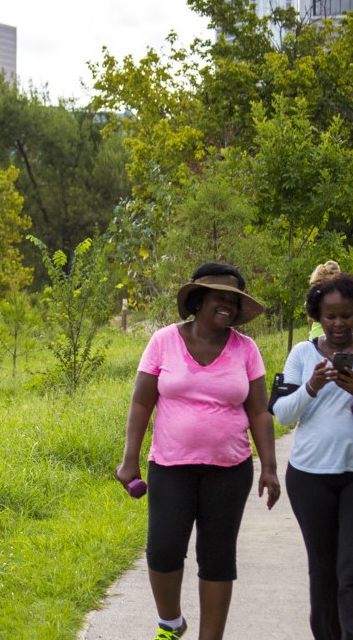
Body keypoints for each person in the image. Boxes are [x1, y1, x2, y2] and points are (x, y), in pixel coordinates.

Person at [116, 263, 281, 640]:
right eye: (219, 298)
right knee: (163, 549)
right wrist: (130, 458)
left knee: (218, 557)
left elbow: (259, 411)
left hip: (230, 469)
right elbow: (141, 403)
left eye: (233, 302)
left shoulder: (246, 349)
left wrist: (269, 467)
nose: (227, 307)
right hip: (171, 467)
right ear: (198, 301)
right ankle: (171, 623)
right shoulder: (163, 341)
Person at [273, 273, 353, 640]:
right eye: (330, 316)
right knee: (324, 570)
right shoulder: (302, 354)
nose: (338, 324)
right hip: (310, 477)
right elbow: (283, 414)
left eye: (346, 315)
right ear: (318, 316)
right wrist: (312, 386)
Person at [307, 260, 342, 339]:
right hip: (330, 338)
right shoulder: (334, 293)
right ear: (334, 274)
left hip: (314, 337)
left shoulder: (315, 291)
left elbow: (309, 319)